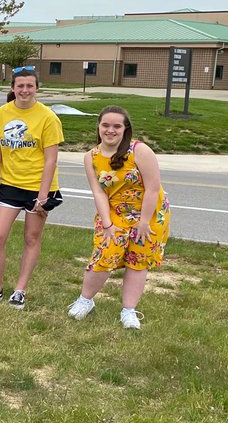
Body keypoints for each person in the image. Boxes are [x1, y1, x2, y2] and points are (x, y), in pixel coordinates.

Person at [68, 106, 171, 329]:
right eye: (106, 125)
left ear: (126, 129)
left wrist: (144, 222)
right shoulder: (91, 157)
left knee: (137, 260)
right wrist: (107, 224)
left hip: (148, 213)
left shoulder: (140, 151)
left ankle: (129, 311)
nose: (110, 130)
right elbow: (98, 192)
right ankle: (85, 300)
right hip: (115, 212)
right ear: (98, 127)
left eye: (117, 126)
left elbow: (153, 189)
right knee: (105, 254)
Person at [0, 66, 64, 309]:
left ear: (37, 88)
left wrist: (43, 196)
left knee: (31, 238)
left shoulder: (47, 118)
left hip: (39, 188)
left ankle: (20, 290)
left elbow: (51, 160)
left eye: (29, 86)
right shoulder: (0, 115)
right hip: (10, 185)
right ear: (12, 88)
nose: (24, 90)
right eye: (20, 86)